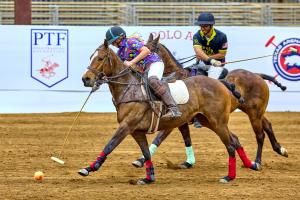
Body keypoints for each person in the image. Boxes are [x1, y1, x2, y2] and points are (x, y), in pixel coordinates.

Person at [106, 26, 182, 119]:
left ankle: (174, 109)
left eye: (114, 41)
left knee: (152, 80)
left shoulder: (131, 41)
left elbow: (146, 51)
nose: (113, 44)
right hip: (142, 71)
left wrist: (131, 62)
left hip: (154, 63)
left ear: (121, 37)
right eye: (111, 43)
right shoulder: (120, 52)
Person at [192, 12, 243, 128]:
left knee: (209, 85)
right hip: (201, 64)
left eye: (205, 26)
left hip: (217, 66)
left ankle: (207, 115)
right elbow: (198, 52)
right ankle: (195, 115)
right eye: (201, 26)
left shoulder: (221, 36)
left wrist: (211, 60)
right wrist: (209, 60)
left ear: (211, 26)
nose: (202, 28)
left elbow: (221, 54)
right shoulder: (197, 35)